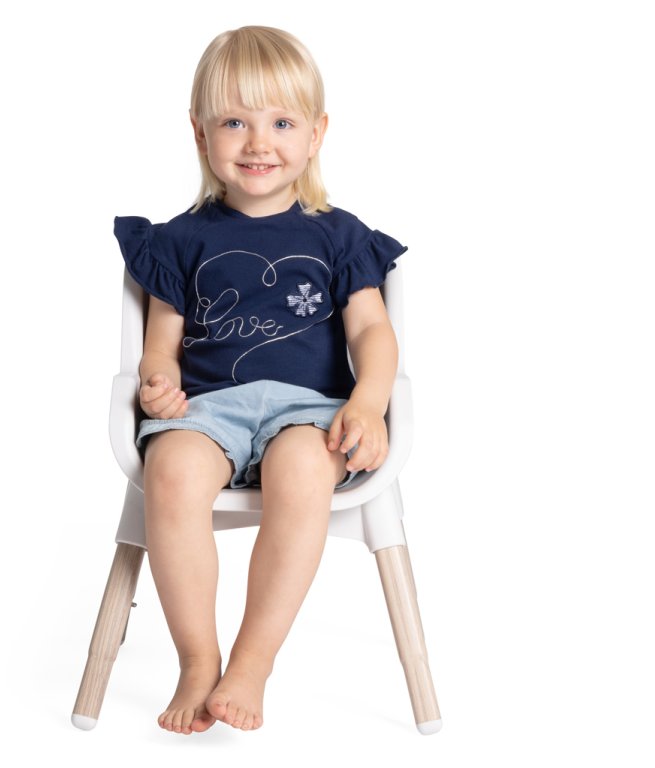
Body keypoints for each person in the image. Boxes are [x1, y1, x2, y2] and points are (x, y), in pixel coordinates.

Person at [113, 25, 405, 735]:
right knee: (172, 472)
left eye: (281, 123)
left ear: (316, 134)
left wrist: (369, 401)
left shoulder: (337, 235)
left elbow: (371, 331)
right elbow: (161, 347)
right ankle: (197, 658)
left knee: (303, 469)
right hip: (207, 412)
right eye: (234, 123)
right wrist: (158, 383)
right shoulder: (180, 240)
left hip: (311, 413)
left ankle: (253, 661)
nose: (257, 143)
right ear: (200, 133)